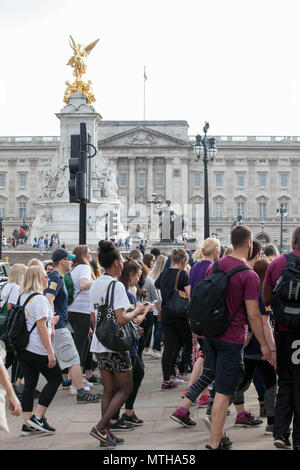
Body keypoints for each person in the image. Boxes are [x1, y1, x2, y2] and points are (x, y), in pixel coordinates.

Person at [204, 225, 271, 450]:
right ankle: (213, 443)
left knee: (220, 388)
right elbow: (253, 314)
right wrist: (263, 344)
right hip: (232, 339)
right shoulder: (248, 275)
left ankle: (219, 434)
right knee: (224, 392)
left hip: (211, 335)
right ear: (249, 243)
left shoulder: (214, 267)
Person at [89, 240, 147, 447]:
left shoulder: (96, 283)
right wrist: (138, 311)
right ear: (115, 263)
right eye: (121, 260)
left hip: (99, 342)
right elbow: (121, 318)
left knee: (108, 389)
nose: (123, 263)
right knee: (125, 388)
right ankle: (100, 427)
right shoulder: (117, 286)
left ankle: (105, 432)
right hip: (115, 344)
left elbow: (94, 318)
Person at [45, 248, 100, 404]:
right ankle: (80, 391)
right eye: (69, 259)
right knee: (74, 358)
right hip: (59, 325)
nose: (71, 262)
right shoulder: (56, 278)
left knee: (63, 358)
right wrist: (52, 321)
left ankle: (22, 386)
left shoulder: (60, 277)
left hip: (61, 323)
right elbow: (49, 299)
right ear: (62, 261)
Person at [263, 227, 300, 450]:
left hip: (285, 332)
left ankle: (280, 433)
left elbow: (266, 297)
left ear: (294, 240)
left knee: (285, 381)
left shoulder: (278, 263)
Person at [232, 258, 277, 434]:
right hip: (261, 347)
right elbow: (265, 324)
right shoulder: (264, 297)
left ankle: (217, 408)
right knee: (271, 385)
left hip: (247, 346)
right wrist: (272, 347)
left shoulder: (249, 295)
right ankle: (272, 423)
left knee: (241, 383)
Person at [18, 265, 62, 435]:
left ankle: (27, 423)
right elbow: (41, 327)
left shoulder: (23, 297)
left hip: (24, 347)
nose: (48, 278)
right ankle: (38, 417)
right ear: (38, 278)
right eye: (45, 276)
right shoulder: (40, 299)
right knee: (55, 378)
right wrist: (50, 352)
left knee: (29, 384)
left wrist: (51, 322)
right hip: (37, 348)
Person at [117, 258, 153, 427]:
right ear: (130, 274)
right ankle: (118, 416)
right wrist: (144, 311)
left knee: (134, 375)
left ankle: (127, 412)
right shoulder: (125, 293)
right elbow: (133, 320)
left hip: (124, 342)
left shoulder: (120, 290)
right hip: (126, 343)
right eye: (138, 275)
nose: (139, 278)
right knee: (130, 378)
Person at [154, 248, 192, 391]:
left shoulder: (164, 273)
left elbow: (155, 285)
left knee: (170, 346)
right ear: (184, 261)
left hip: (166, 314)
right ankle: (182, 369)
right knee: (187, 342)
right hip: (180, 314)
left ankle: (167, 379)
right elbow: (190, 295)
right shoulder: (182, 274)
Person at [68, 245, 96, 383]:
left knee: (85, 342)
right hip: (81, 310)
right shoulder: (84, 268)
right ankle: (76, 382)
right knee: (80, 345)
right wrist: (96, 283)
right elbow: (84, 284)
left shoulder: (74, 269)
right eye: (89, 253)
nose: (91, 255)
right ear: (83, 255)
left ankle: (81, 377)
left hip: (73, 310)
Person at [1, 264, 28, 396]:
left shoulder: (6, 285)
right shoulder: (16, 288)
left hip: (2, 325)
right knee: (16, 355)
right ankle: (14, 383)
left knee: (8, 356)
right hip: (10, 326)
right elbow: (11, 306)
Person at [148, 255, 168, 359]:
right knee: (159, 328)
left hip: (152, 306)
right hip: (159, 305)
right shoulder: (162, 275)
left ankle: (155, 348)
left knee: (156, 328)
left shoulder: (151, 274)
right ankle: (156, 348)